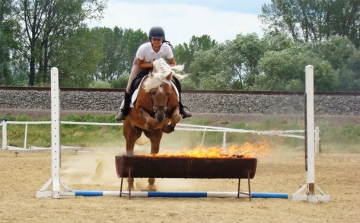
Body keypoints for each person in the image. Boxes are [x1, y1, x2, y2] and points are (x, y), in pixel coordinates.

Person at [115, 26, 192, 121]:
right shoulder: (143, 48)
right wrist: (152, 64)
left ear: (162, 39)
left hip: (159, 68)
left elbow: (173, 63)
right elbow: (140, 64)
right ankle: (123, 110)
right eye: (154, 39)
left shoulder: (166, 48)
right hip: (142, 65)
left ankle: (182, 107)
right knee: (130, 86)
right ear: (150, 39)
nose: (156, 41)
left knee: (175, 81)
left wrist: (164, 67)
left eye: (159, 39)